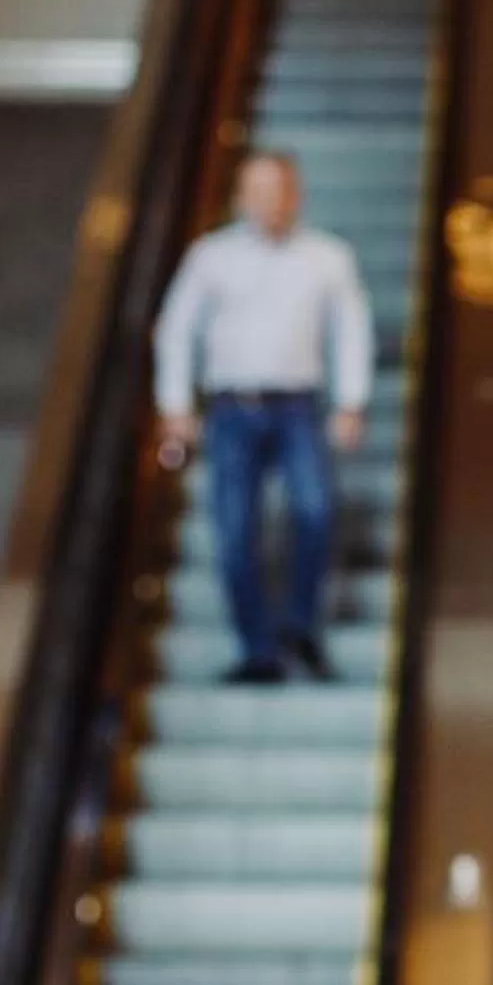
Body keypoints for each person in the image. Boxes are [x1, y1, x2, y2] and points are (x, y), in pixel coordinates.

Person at [149, 149, 372, 684]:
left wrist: (351, 402)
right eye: (258, 190)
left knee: (316, 512)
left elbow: (351, 329)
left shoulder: (327, 257)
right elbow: (176, 330)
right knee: (232, 534)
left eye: (278, 189)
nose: (269, 201)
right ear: (240, 196)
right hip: (231, 411)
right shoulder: (210, 257)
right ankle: (258, 649)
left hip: (298, 407)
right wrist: (175, 405)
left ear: (294, 194)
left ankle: (299, 626)